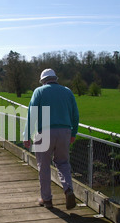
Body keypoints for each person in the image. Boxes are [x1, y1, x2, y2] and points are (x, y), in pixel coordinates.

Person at [23, 69, 79, 209]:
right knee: (63, 163)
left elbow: (32, 114)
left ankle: (46, 199)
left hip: (45, 132)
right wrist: (73, 134)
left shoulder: (39, 91)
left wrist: (27, 135)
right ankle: (68, 190)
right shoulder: (67, 91)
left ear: (43, 81)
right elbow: (75, 115)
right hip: (65, 131)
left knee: (44, 166)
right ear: (55, 78)